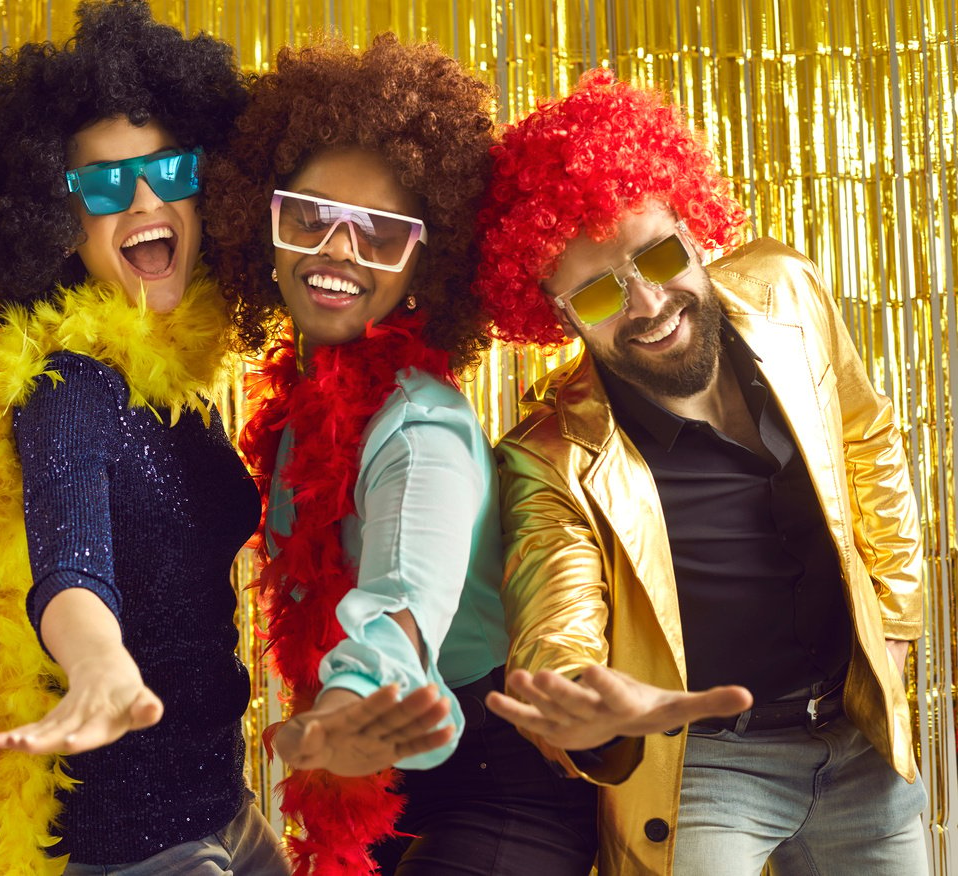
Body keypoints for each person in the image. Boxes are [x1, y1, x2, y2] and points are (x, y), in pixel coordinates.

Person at [474, 69, 926, 875]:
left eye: (657, 253)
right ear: (558, 314)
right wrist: (580, 704)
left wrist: (892, 627)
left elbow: (866, 436)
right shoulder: (550, 454)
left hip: (858, 737)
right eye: (602, 293)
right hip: (706, 769)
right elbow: (556, 614)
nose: (648, 303)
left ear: (692, 225)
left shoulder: (789, 292)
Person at [202, 36, 597, 876]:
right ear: (261, 229)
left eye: (380, 233)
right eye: (309, 216)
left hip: (501, 794)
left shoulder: (422, 433)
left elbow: (401, 601)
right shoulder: (300, 413)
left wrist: (350, 707)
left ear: (429, 259)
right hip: (386, 796)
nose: (339, 250)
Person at [0, 3, 289, 874]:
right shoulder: (70, 388)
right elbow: (69, 554)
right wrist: (98, 666)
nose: (146, 199)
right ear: (59, 225)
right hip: (143, 852)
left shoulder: (165, 371)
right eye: (104, 185)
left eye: (169, 168)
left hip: (226, 816)